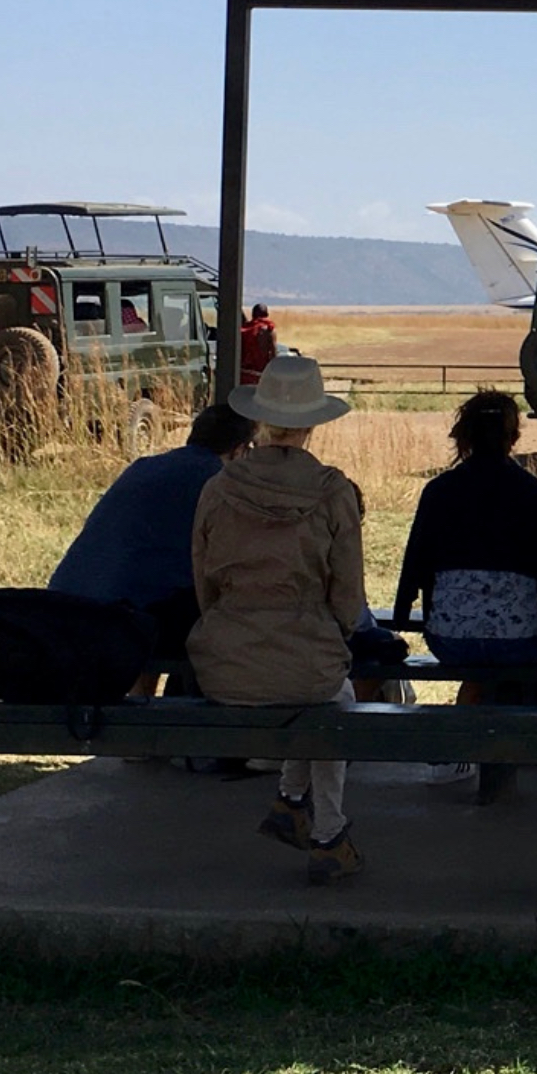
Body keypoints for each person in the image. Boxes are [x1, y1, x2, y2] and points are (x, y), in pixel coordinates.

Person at [190, 353, 369, 884]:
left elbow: (205, 584)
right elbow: (348, 597)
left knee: (317, 693)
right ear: (315, 423)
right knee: (333, 701)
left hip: (226, 663)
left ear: (261, 419)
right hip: (308, 660)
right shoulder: (334, 491)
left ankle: (291, 802)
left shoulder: (219, 488)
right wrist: (328, 635)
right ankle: (328, 833)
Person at [394, 389, 537, 782]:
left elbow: (415, 559)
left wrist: (403, 614)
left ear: (463, 436)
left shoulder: (439, 491)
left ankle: (465, 745)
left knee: (482, 672)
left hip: (451, 639)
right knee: (509, 670)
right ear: (514, 437)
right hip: (522, 641)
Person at [48, 401, 255, 686]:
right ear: (239, 450)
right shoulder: (218, 481)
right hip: (123, 619)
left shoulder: (144, 467)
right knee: (217, 621)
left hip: (66, 605)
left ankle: (143, 702)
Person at [238, 303, 278, 386]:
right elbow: (273, 353)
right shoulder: (269, 329)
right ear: (267, 314)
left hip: (244, 372)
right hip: (261, 371)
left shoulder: (244, 329)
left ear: (253, 315)